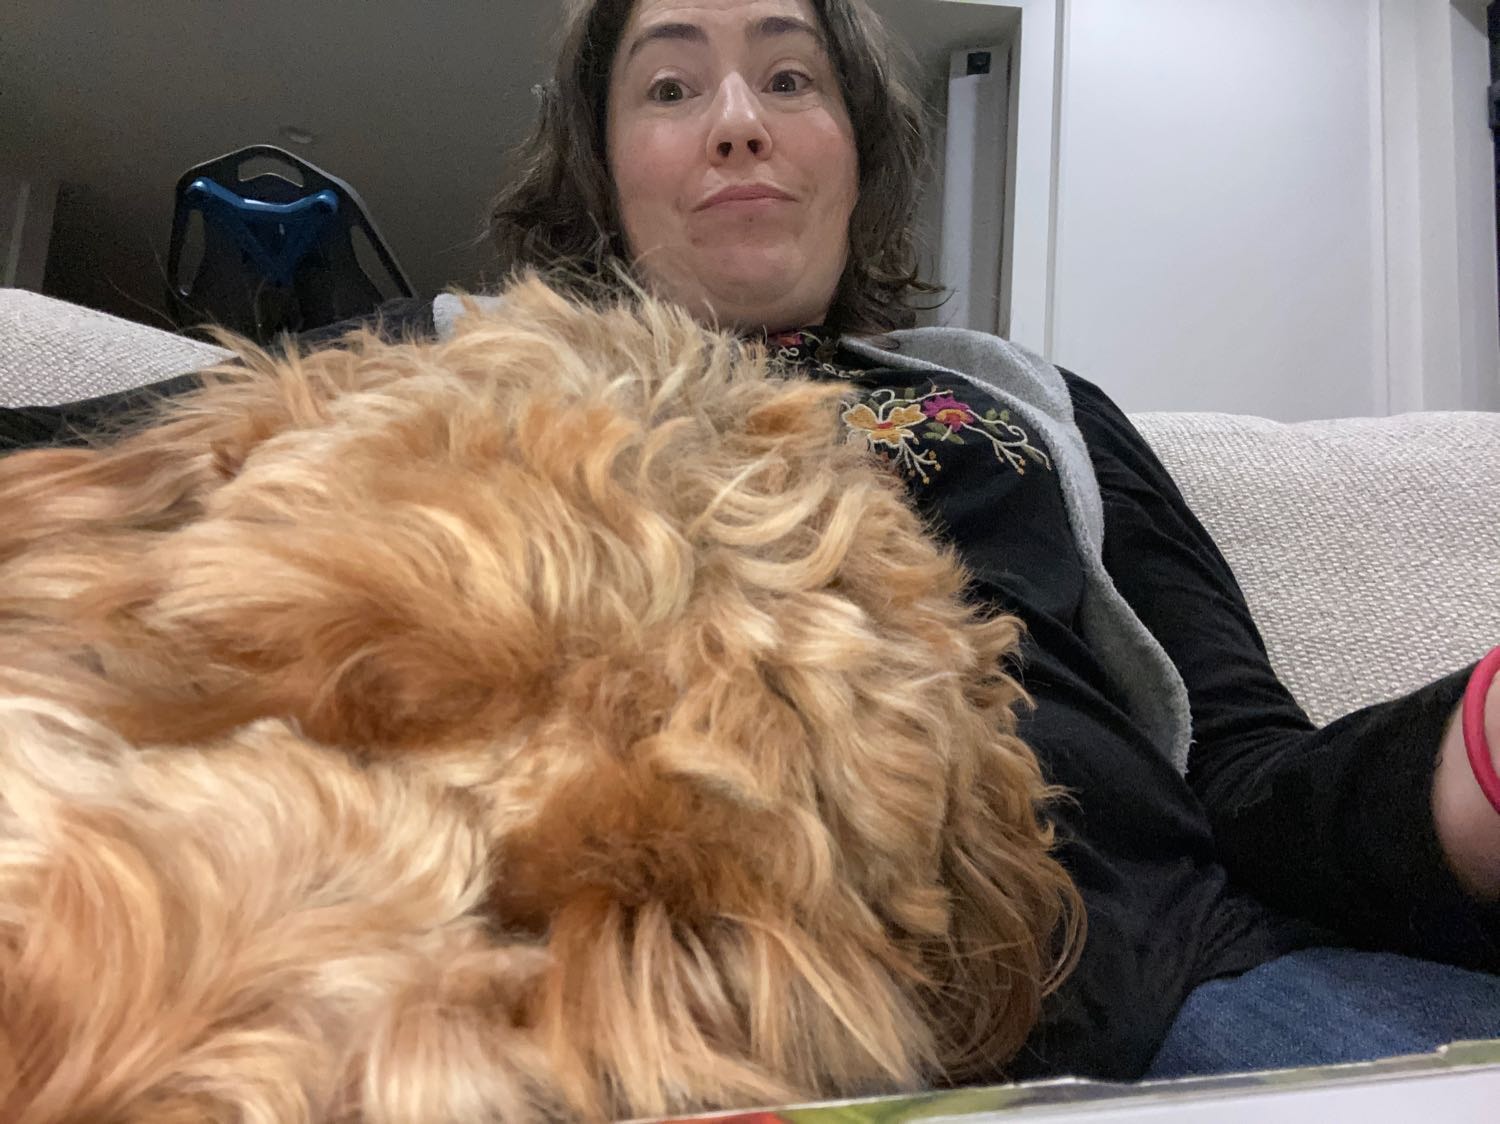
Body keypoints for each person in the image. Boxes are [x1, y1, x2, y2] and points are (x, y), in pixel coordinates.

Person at [4, 0, 1498, 1085]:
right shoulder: (441, 346)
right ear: (603, 168)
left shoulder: (1022, 404)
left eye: (790, 76)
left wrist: (1473, 754)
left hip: (1160, 979)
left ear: (856, 151)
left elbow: (1248, 772)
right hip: (552, 951)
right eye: (670, 85)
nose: (737, 118)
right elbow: (78, 477)